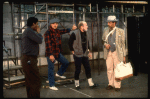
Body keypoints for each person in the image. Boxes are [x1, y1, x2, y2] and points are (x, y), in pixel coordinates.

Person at [44, 18, 77, 90]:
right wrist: (50, 55)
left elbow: (64, 31)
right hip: (51, 54)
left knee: (66, 62)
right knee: (51, 69)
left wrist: (71, 29)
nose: (55, 25)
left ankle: (59, 73)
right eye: (53, 24)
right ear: (51, 24)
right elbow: (48, 44)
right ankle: (51, 85)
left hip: (57, 53)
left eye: (56, 23)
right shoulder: (47, 33)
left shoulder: (57, 31)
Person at [69, 21, 98, 90]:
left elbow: (87, 43)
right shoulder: (75, 33)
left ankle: (91, 83)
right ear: (82, 27)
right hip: (77, 54)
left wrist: (89, 51)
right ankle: (77, 84)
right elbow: (69, 42)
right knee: (78, 70)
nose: (87, 26)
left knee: (88, 68)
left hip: (84, 54)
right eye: (86, 25)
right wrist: (73, 51)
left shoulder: (86, 33)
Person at [102, 15, 126, 92]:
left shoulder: (121, 31)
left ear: (114, 23)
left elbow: (123, 44)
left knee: (117, 69)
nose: (108, 24)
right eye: (108, 22)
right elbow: (103, 40)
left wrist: (124, 55)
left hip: (117, 53)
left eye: (110, 22)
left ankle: (117, 85)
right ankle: (110, 84)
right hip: (108, 53)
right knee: (109, 69)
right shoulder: (105, 30)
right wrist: (105, 45)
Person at [21, 17, 43, 98]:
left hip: (28, 59)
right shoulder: (29, 31)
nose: (37, 26)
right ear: (33, 24)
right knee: (35, 80)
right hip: (29, 59)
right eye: (37, 24)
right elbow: (40, 40)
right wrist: (38, 33)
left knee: (30, 81)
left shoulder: (28, 31)